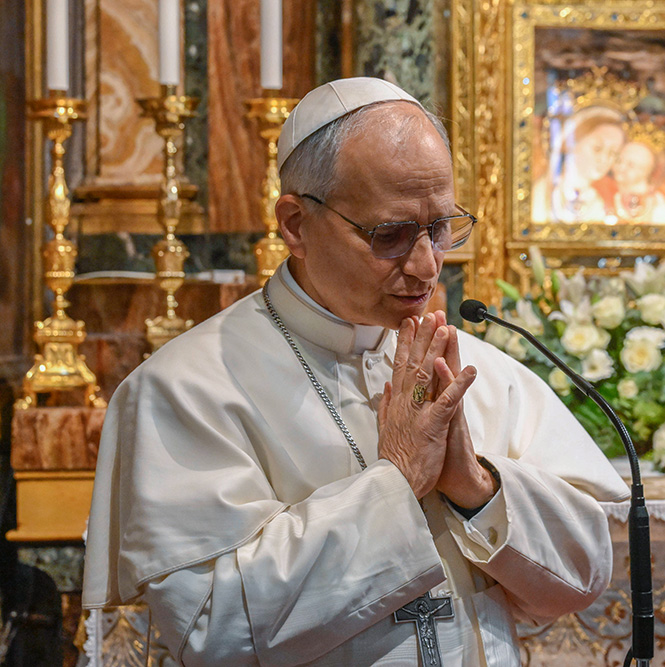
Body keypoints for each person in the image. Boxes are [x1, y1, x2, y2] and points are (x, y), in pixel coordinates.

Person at [82, 77, 629, 665]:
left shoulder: (483, 370)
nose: (426, 266)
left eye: (440, 228)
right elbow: (213, 629)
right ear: (295, 224)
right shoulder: (186, 388)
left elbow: (584, 575)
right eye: (389, 235)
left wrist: (474, 486)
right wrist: (397, 483)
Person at [531, 105, 626, 223]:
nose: (604, 159)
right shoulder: (541, 194)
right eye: (597, 148)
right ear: (572, 143)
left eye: (613, 152)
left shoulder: (599, 203)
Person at [611, 139, 665, 225]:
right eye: (619, 161)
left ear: (645, 171)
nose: (621, 167)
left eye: (631, 165)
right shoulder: (607, 194)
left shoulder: (656, 204)